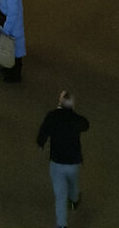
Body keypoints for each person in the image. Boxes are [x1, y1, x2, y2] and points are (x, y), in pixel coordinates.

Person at [37, 91, 90, 228]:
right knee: (73, 182)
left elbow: (43, 133)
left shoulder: (53, 116)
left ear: (60, 103)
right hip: (73, 161)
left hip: (57, 162)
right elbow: (86, 125)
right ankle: (74, 199)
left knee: (60, 194)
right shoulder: (76, 119)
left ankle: (61, 224)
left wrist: (41, 143)